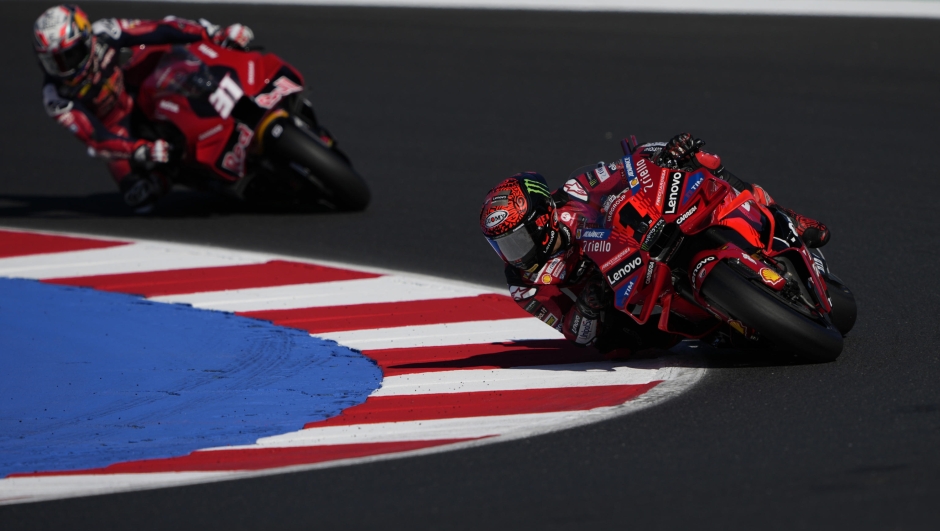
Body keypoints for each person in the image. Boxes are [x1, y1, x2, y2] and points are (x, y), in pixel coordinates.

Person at [479, 133, 830, 355]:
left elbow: (627, 166)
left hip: (643, 241)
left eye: (516, 239)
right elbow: (578, 335)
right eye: (503, 245)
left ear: (542, 218)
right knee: (620, 347)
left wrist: (665, 152)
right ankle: (716, 315)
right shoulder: (524, 285)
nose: (512, 254)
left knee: (704, 165)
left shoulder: (576, 191)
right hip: (623, 309)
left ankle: (783, 216)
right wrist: (587, 307)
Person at [34, 4, 254, 212]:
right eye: (54, 62)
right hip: (117, 128)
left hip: (139, 88)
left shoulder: (106, 32)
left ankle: (236, 85)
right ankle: (173, 172)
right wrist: (139, 149)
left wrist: (213, 33)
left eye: (70, 56)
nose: (65, 69)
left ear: (87, 39)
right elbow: (96, 138)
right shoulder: (56, 97)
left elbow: (159, 29)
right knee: (139, 197)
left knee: (169, 52)